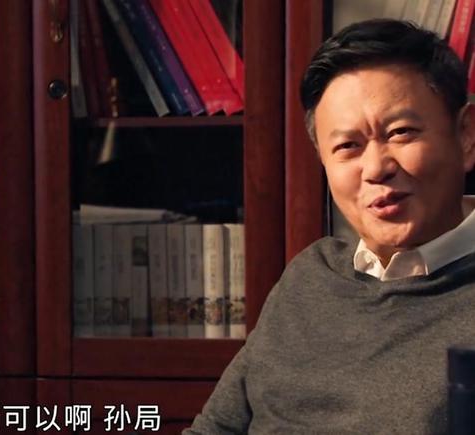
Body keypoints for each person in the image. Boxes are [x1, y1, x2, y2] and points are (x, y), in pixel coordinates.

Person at [184, 19, 475, 434]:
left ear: (466, 135)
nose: (375, 168)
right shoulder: (309, 279)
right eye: (347, 147)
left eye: (400, 132)